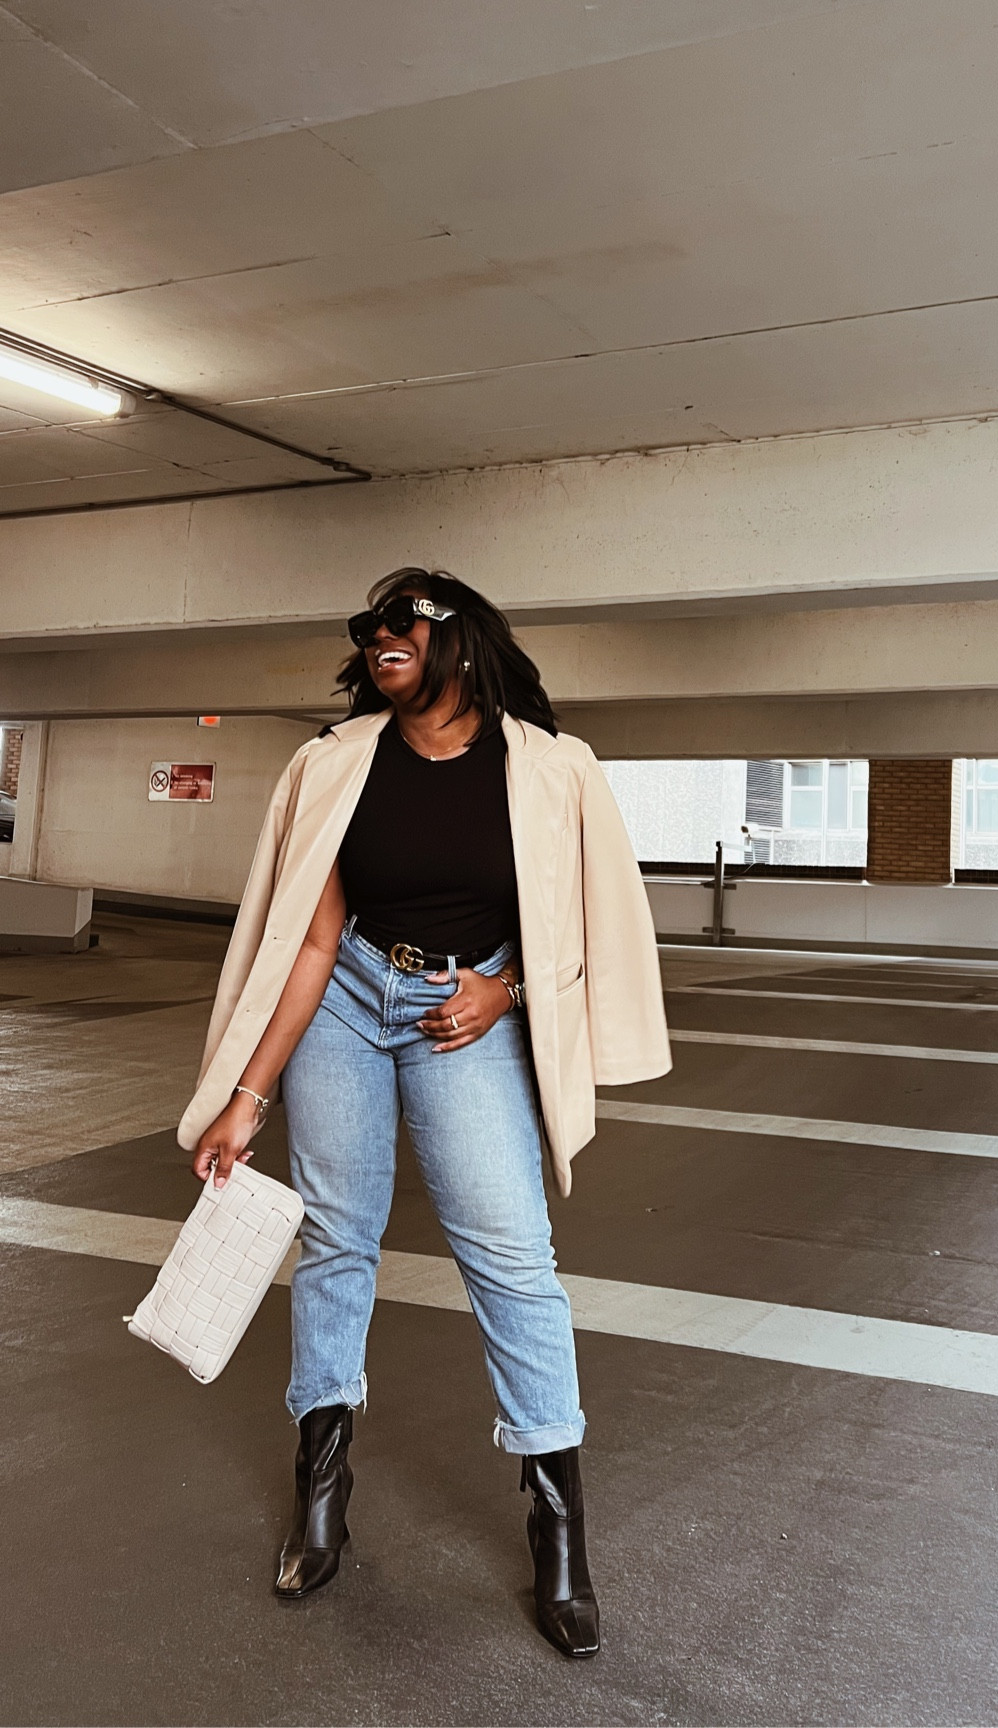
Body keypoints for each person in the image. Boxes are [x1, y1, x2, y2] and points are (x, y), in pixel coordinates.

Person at [177, 567, 670, 1658]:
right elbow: (310, 944)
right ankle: (320, 1497)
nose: (379, 637)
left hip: (470, 1006)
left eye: (403, 621)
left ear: (460, 640)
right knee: (337, 1240)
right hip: (351, 997)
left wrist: (512, 991)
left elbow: (589, 920)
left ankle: (559, 1534)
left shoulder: (551, 770)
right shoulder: (334, 763)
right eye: (368, 628)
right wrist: (247, 1097)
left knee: (510, 1253)